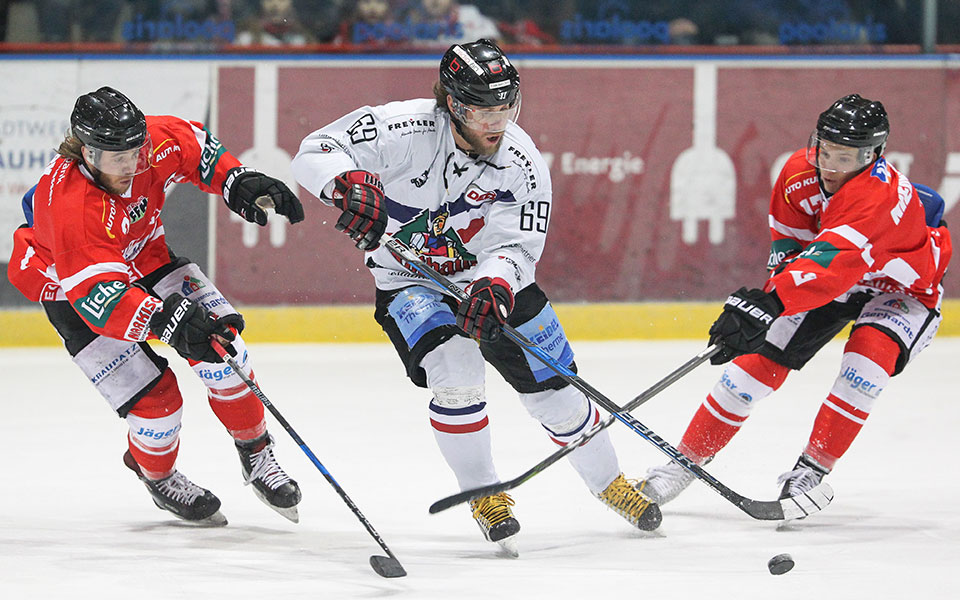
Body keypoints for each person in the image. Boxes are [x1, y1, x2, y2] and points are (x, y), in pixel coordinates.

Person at [291, 39, 661, 555]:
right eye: (480, 108)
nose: (495, 120)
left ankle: (610, 483)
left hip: (492, 280)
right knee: (455, 373)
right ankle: (486, 495)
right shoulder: (402, 127)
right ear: (451, 103)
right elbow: (314, 151)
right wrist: (347, 184)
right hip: (409, 280)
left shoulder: (523, 163)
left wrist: (496, 283)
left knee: (556, 391)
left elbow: (518, 244)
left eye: (505, 105)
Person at [6, 86, 306, 526]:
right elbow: (101, 299)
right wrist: (168, 321)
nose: (130, 164)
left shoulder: (149, 144)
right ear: (87, 152)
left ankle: (257, 453)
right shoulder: (69, 205)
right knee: (158, 406)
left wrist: (235, 179)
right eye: (116, 157)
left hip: (145, 258)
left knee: (224, 349)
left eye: (135, 151)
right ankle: (157, 476)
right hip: (75, 293)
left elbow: (197, 148)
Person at [639, 94, 952, 515]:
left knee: (866, 362)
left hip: (901, 289)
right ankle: (684, 462)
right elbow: (792, 251)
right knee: (750, 369)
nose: (830, 165)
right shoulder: (796, 175)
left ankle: (811, 469)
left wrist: (771, 301)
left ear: (874, 155)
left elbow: (832, 266)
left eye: (845, 156)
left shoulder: (879, 197)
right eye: (825, 149)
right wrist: (760, 312)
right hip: (835, 277)